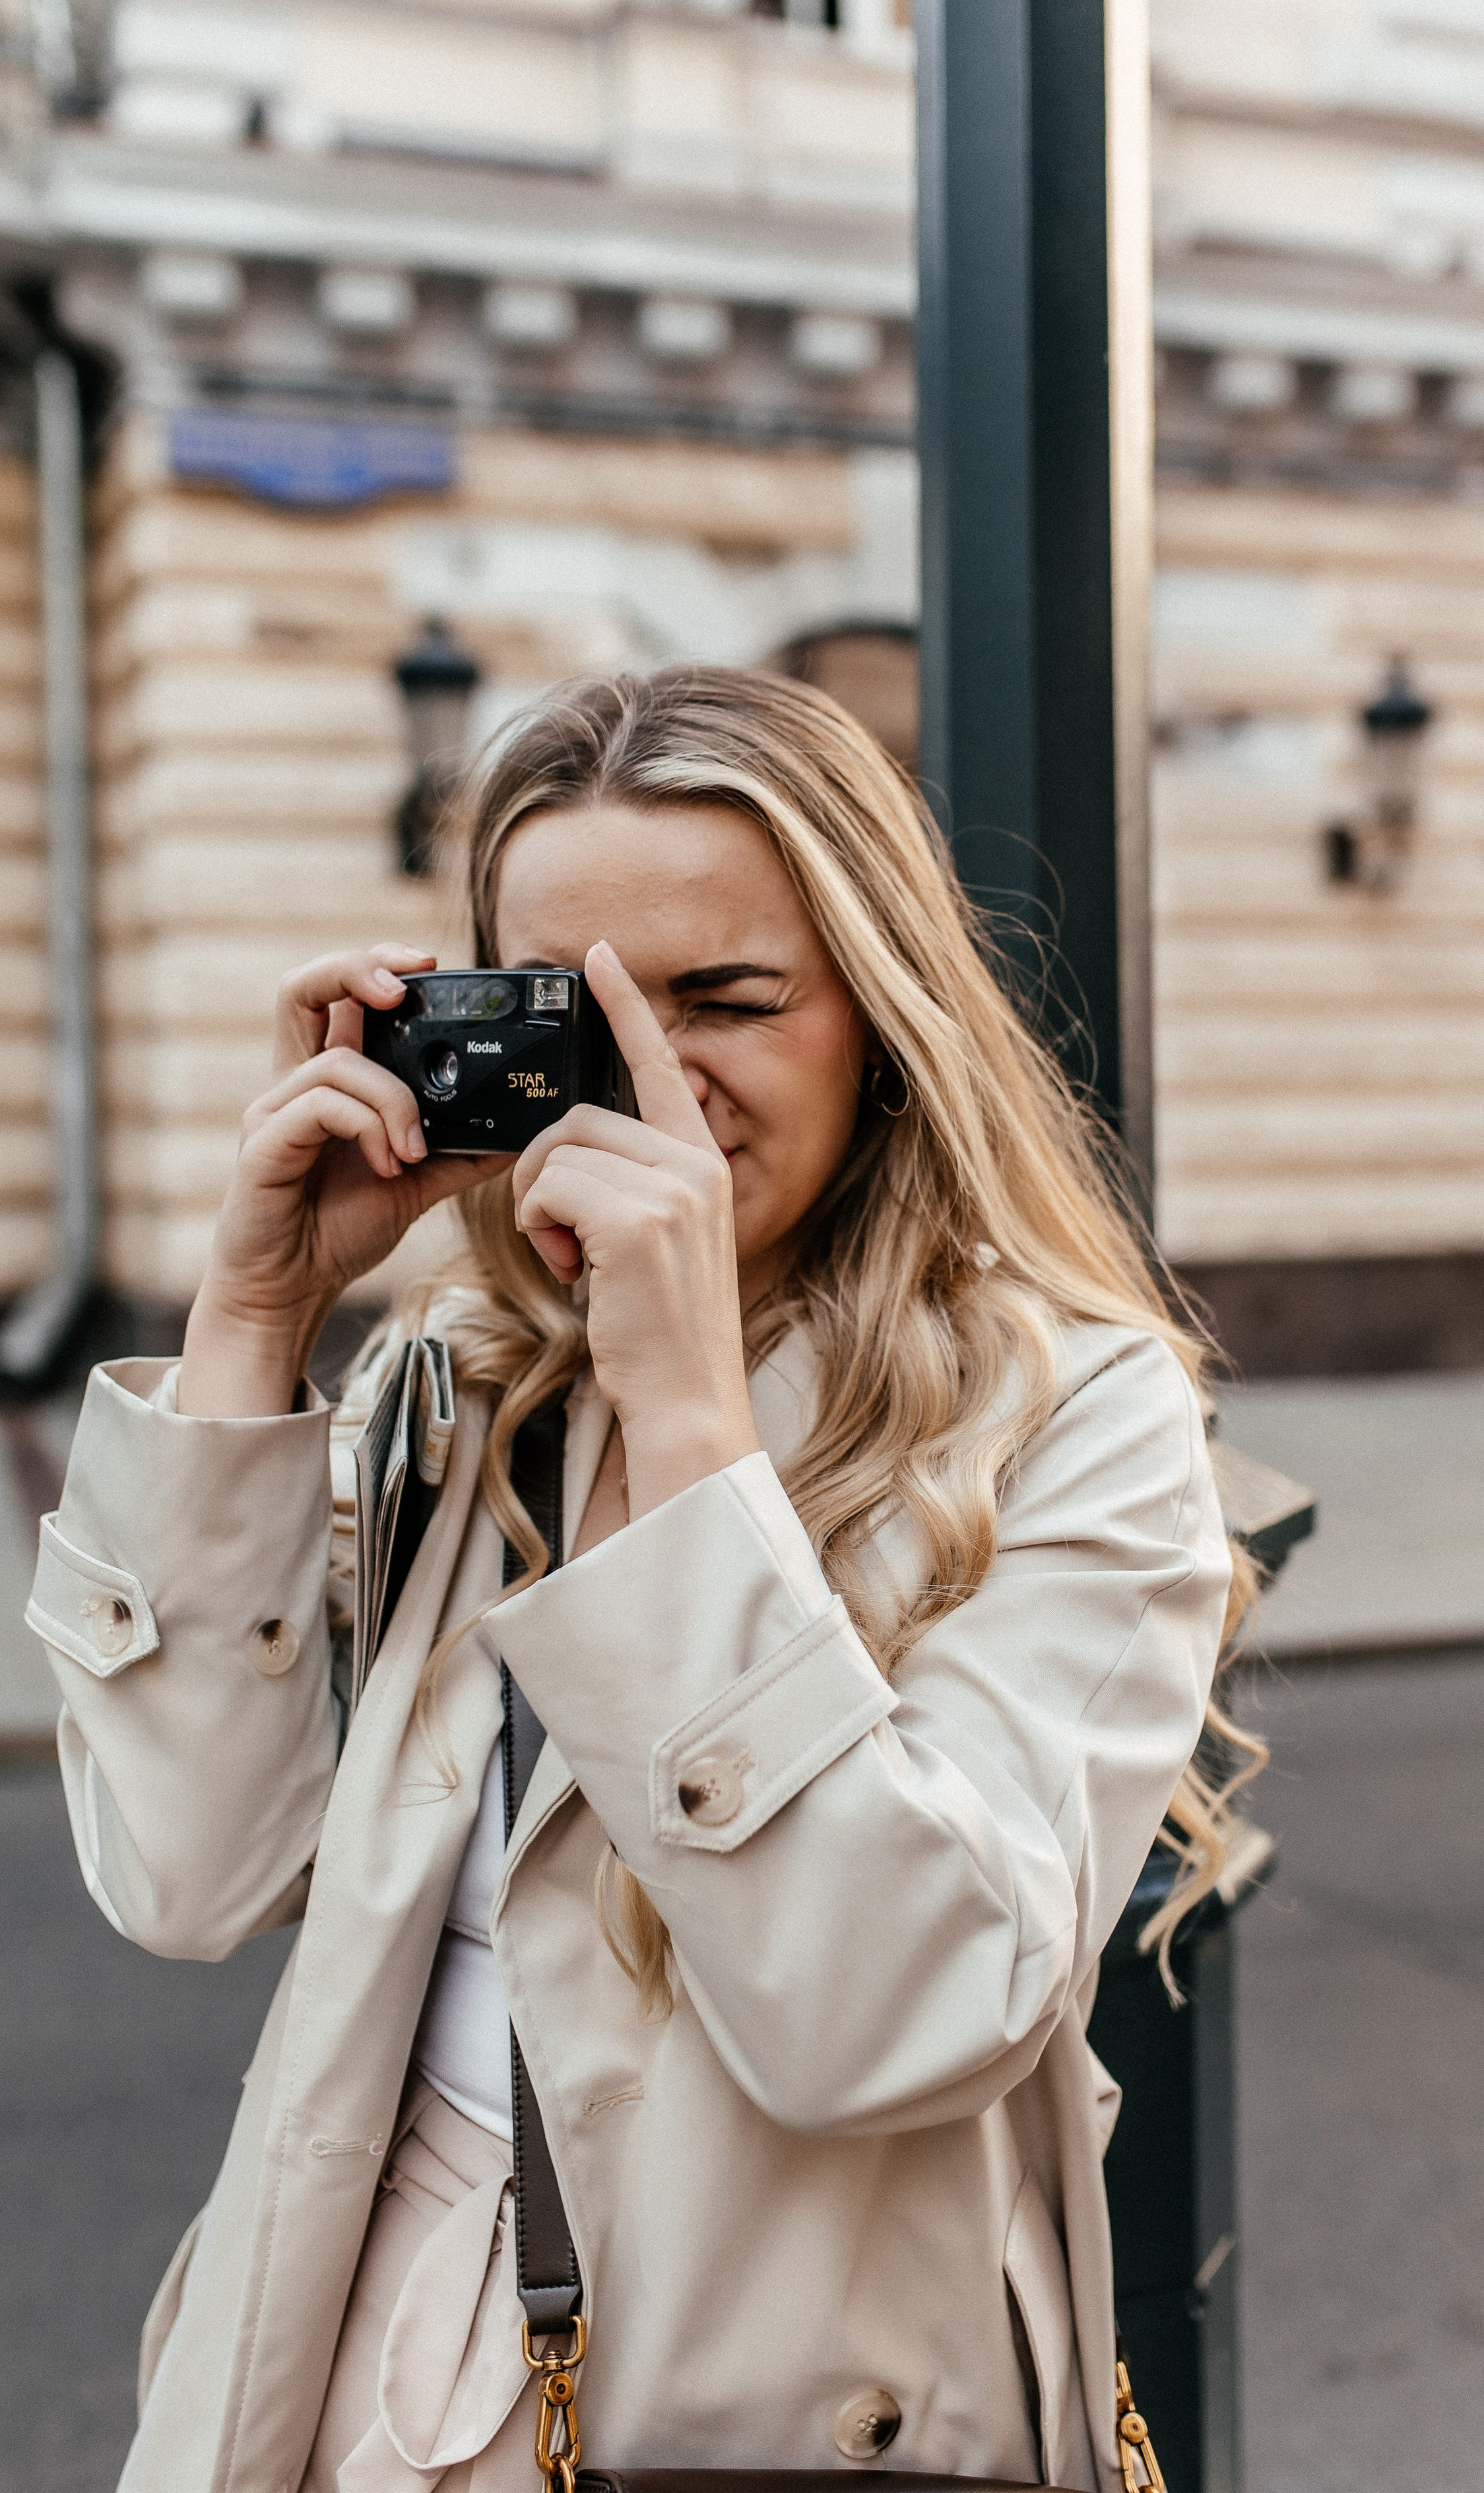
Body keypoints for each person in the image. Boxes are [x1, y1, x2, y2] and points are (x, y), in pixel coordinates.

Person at [30, 667, 1252, 2493]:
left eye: (725, 1002)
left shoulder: (1069, 1409)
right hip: (352, 2373)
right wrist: (258, 1316)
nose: (652, 1076)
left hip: (762, 2408)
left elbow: (905, 2005)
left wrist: (690, 1418)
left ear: (881, 1016)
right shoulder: (466, 1371)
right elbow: (191, 1876)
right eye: (575, 1009)